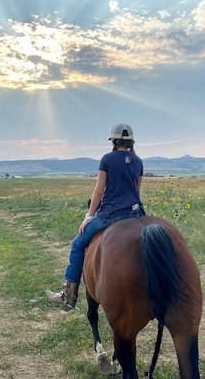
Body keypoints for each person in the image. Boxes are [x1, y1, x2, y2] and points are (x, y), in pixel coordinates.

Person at [45, 123, 146, 311]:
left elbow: (99, 191)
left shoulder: (107, 159)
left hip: (111, 215)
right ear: (131, 142)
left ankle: (68, 296)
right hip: (135, 214)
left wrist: (89, 217)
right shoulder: (139, 161)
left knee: (77, 245)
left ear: (114, 141)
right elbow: (137, 192)